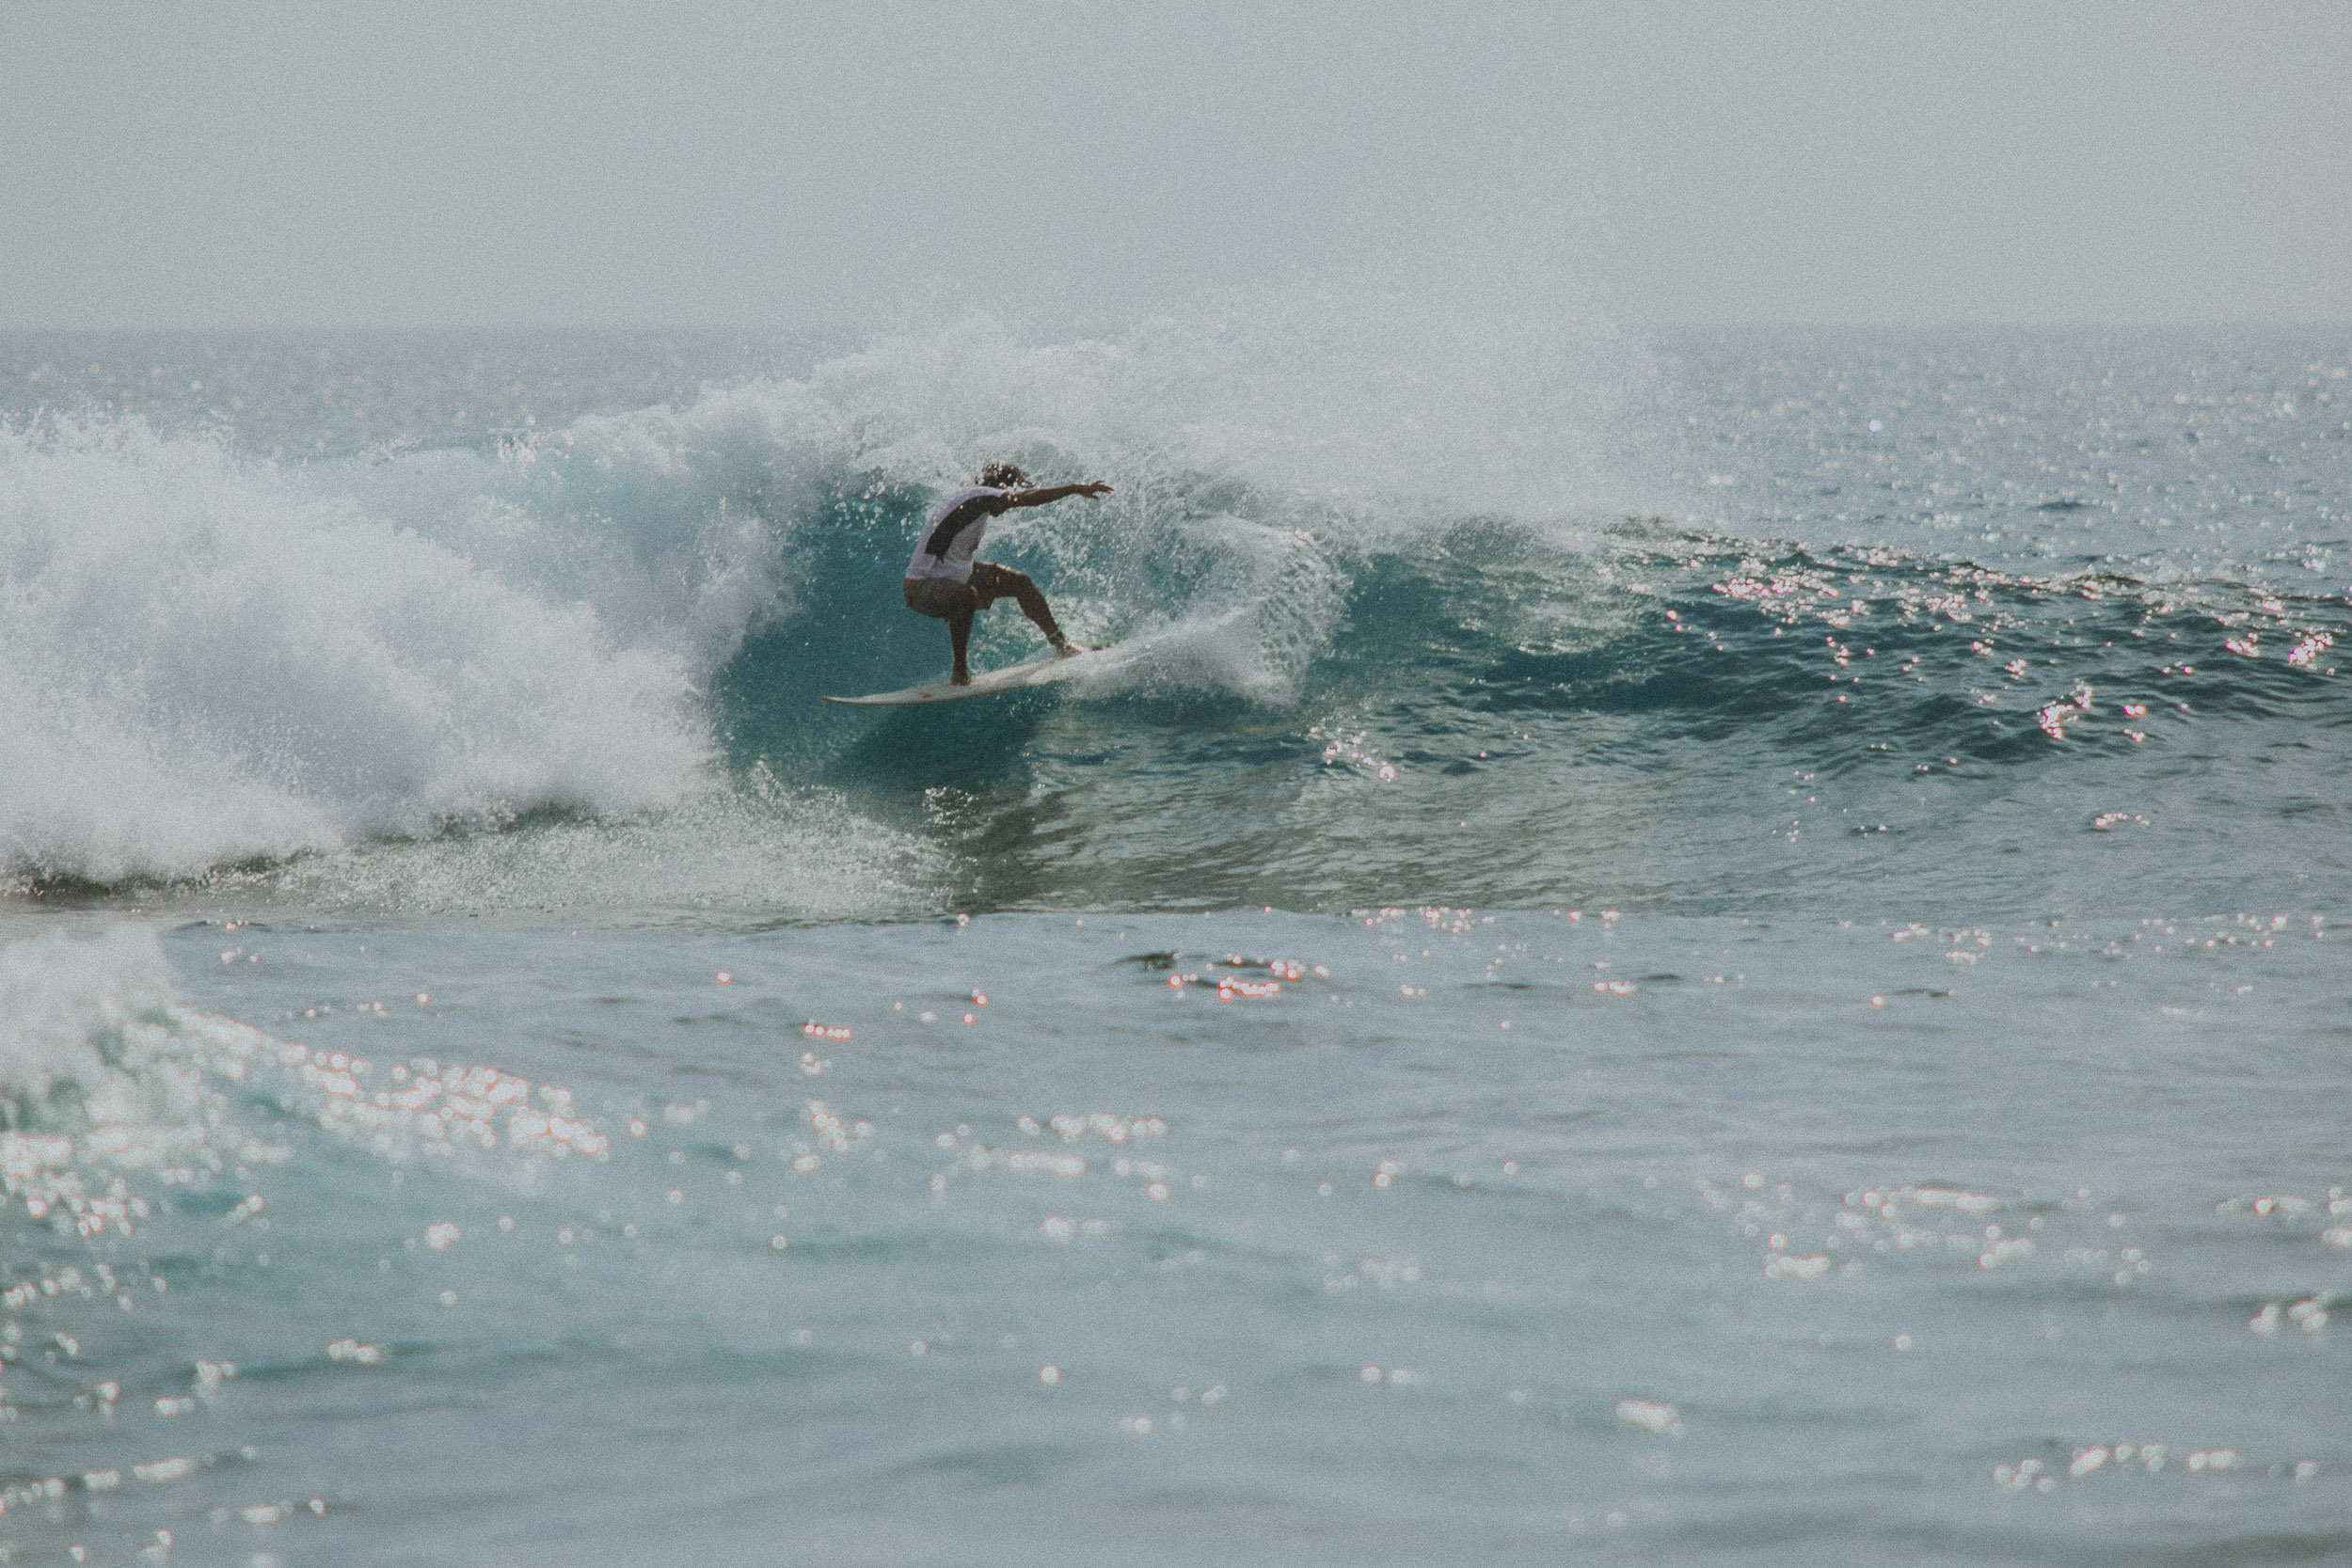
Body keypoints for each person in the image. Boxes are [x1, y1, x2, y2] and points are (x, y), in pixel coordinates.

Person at [902, 462, 1113, 685]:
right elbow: (1029, 499)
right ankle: (959, 671)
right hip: (921, 586)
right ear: (999, 487)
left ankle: (1062, 645)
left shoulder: (974, 503)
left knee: (1020, 582)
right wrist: (1075, 488)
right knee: (966, 595)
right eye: (1008, 490)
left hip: (952, 577)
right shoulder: (981, 495)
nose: (1004, 507)